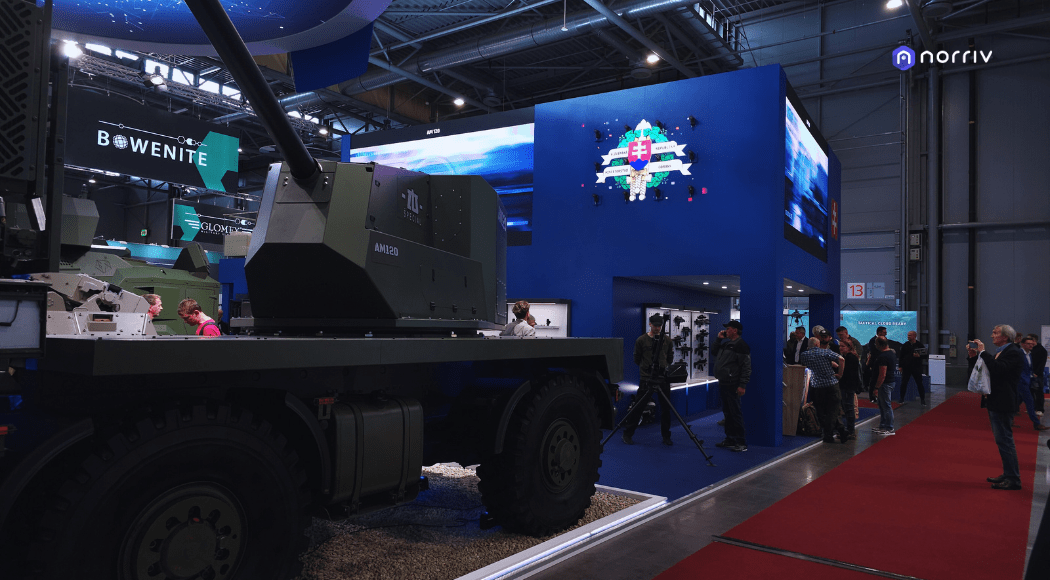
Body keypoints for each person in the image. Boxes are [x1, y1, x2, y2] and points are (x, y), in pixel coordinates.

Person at [968, 324, 1024, 490]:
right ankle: (1008, 474)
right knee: (1002, 441)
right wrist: (973, 356)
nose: (992, 335)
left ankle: (1013, 479)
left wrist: (983, 352)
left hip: (1004, 401)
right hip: (997, 400)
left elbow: (998, 369)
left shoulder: (1013, 351)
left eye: (995, 333)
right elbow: (985, 371)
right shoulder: (1004, 351)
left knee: (1005, 441)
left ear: (1005, 337)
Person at [622, 314, 674, 446]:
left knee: (666, 408)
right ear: (650, 324)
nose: (657, 328)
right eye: (655, 325)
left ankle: (666, 436)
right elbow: (637, 359)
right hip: (647, 378)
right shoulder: (641, 340)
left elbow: (670, 358)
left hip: (662, 378)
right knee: (638, 407)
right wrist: (647, 368)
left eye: (659, 326)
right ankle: (627, 434)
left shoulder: (667, 340)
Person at [800, 334, 848, 444]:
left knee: (821, 411)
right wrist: (840, 374)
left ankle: (840, 430)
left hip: (816, 386)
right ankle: (829, 434)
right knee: (833, 411)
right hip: (831, 384)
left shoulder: (804, 355)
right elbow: (841, 359)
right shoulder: (825, 352)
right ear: (818, 344)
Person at [713, 320, 751, 452]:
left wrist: (742, 385)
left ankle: (741, 442)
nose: (725, 331)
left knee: (735, 413)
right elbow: (713, 352)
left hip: (733, 384)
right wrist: (719, 340)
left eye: (728, 329)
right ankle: (730, 439)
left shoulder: (741, 345)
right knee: (727, 413)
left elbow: (746, 367)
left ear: (735, 330)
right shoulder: (726, 344)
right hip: (723, 383)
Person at [1018, 336, 1049, 431]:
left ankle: (1007, 420)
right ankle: (1036, 423)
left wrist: (1032, 375)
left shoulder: (1029, 354)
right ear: (1023, 344)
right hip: (1021, 382)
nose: (1031, 345)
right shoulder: (1019, 354)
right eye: (1028, 344)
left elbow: (1030, 367)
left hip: (1028, 381)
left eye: (1032, 343)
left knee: (1017, 402)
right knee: (1030, 401)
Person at [870, 336, 898, 435]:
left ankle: (889, 428)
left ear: (879, 344)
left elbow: (882, 374)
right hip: (889, 382)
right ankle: (883, 426)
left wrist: (876, 387)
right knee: (882, 406)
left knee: (886, 406)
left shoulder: (883, 357)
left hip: (885, 384)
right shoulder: (891, 353)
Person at [838, 339, 862, 439]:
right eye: (840, 346)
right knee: (847, 408)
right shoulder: (847, 357)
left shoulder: (850, 358)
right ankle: (849, 430)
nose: (840, 348)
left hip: (848, 386)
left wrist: (839, 373)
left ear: (849, 347)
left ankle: (851, 431)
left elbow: (849, 374)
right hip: (847, 385)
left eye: (843, 346)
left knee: (849, 408)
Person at [898, 331, 928, 405]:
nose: (908, 336)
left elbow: (925, 355)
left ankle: (923, 400)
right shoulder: (905, 345)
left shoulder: (919, 345)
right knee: (904, 383)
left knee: (919, 384)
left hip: (916, 368)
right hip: (906, 368)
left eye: (910, 335)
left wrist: (919, 356)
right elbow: (901, 356)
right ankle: (901, 399)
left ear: (914, 336)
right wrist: (900, 366)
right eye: (908, 335)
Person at [1028, 334, 1047, 417]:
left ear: (1034, 340)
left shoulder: (1041, 350)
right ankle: (1032, 408)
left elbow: (1042, 363)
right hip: (1029, 374)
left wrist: (1037, 373)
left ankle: (1040, 409)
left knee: (1038, 392)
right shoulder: (1030, 349)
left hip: (1037, 375)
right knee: (1030, 392)